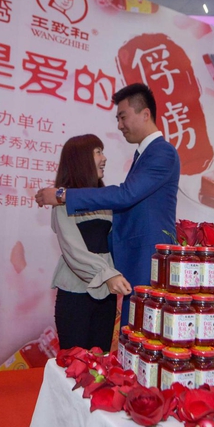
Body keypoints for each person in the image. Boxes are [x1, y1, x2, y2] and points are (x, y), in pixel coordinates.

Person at [35, 84, 180, 322]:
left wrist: (64, 195)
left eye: (123, 117)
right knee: (134, 328)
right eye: (117, 119)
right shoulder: (144, 155)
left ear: (145, 114)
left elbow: (125, 195)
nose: (119, 125)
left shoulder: (161, 152)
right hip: (131, 259)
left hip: (147, 255)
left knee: (141, 326)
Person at [49, 135, 133, 351]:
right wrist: (107, 275)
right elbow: (73, 250)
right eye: (98, 152)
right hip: (75, 293)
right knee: (74, 361)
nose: (104, 158)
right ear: (81, 159)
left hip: (106, 296)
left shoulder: (105, 200)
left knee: (100, 360)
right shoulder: (62, 201)